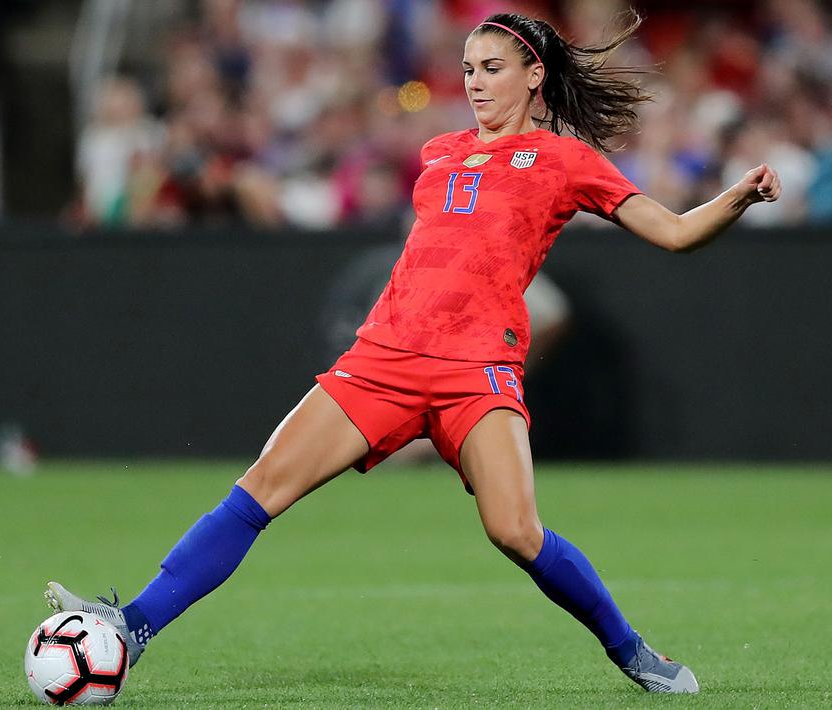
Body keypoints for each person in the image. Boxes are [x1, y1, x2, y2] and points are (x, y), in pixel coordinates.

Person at [46, 11, 781, 695]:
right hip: (383, 358)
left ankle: (632, 652)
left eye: (491, 68)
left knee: (515, 532)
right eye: (467, 69)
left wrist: (737, 197)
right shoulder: (439, 153)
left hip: (477, 370)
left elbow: (674, 233)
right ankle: (131, 626)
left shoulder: (564, 161)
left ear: (534, 75)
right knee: (259, 489)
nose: (474, 83)